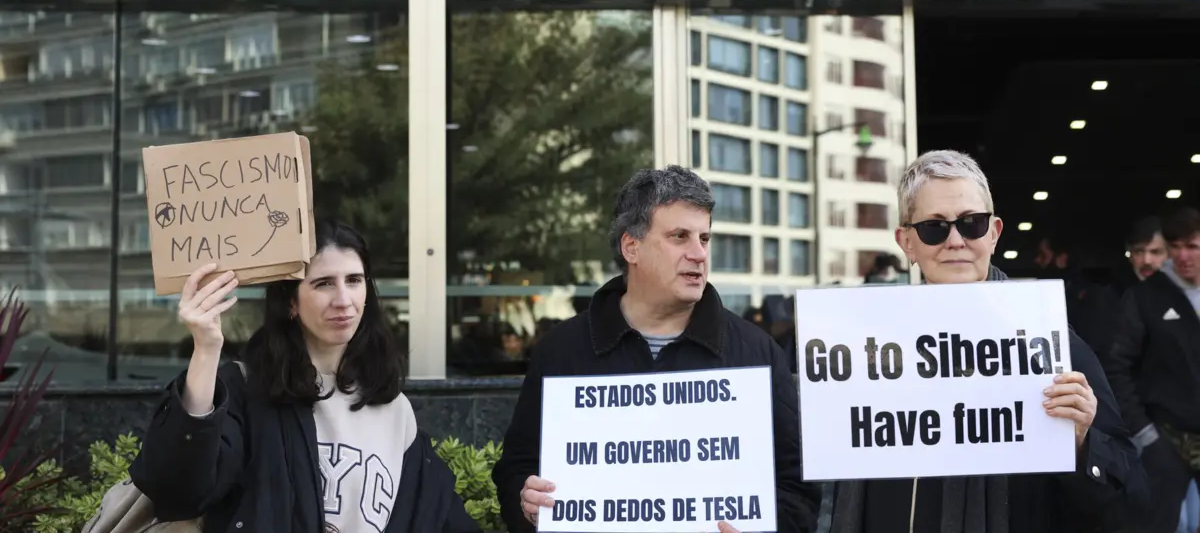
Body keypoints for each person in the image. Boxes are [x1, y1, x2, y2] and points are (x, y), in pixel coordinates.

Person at [818, 150, 1147, 533]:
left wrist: (1081, 444)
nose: (955, 240)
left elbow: (1132, 507)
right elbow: (817, 476)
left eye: (971, 224)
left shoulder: (1049, 345)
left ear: (994, 234)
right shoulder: (862, 348)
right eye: (934, 228)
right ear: (906, 242)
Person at [492, 165, 822, 533]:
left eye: (705, 238)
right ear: (631, 247)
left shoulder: (756, 353)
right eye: (679, 236)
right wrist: (527, 503)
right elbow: (515, 470)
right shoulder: (562, 351)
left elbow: (797, 489)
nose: (698, 254)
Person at [128, 219, 479, 533]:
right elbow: (179, 490)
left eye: (354, 280)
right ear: (291, 302)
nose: (344, 300)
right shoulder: (249, 391)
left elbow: (438, 515)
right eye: (324, 283)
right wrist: (205, 349)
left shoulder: (393, 409)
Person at [1104, 206, 1200, 533]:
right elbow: (1116, 367)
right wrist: (1145, 435)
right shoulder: (1145, 297)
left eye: (1192, 246)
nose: (1183, 255)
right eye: (1175, 247)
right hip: (1167, 439)